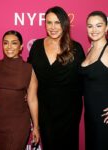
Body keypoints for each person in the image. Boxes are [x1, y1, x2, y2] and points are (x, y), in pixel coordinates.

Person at [27, 6, 85, 150]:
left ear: (64, 24)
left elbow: (88, 79)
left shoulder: (76, 48)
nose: (53, 27)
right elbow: (29, 75)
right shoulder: (36, 46)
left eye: (57, 23)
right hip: (45, 109)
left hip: (69, 110)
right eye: (49, 22)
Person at [0, 30, 40, 150]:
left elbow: (32, 99)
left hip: (18, 123)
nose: (9, 47)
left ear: (21, 47)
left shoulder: (28, 69)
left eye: (14, 43)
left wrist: (36, 126)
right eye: (5, 43)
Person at [81, 11, 108, 150]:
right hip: (90, 114)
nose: (94, 30)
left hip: (104, 117)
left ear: (106, 27)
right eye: (90, 26)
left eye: (99, 25)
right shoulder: (89, 50)